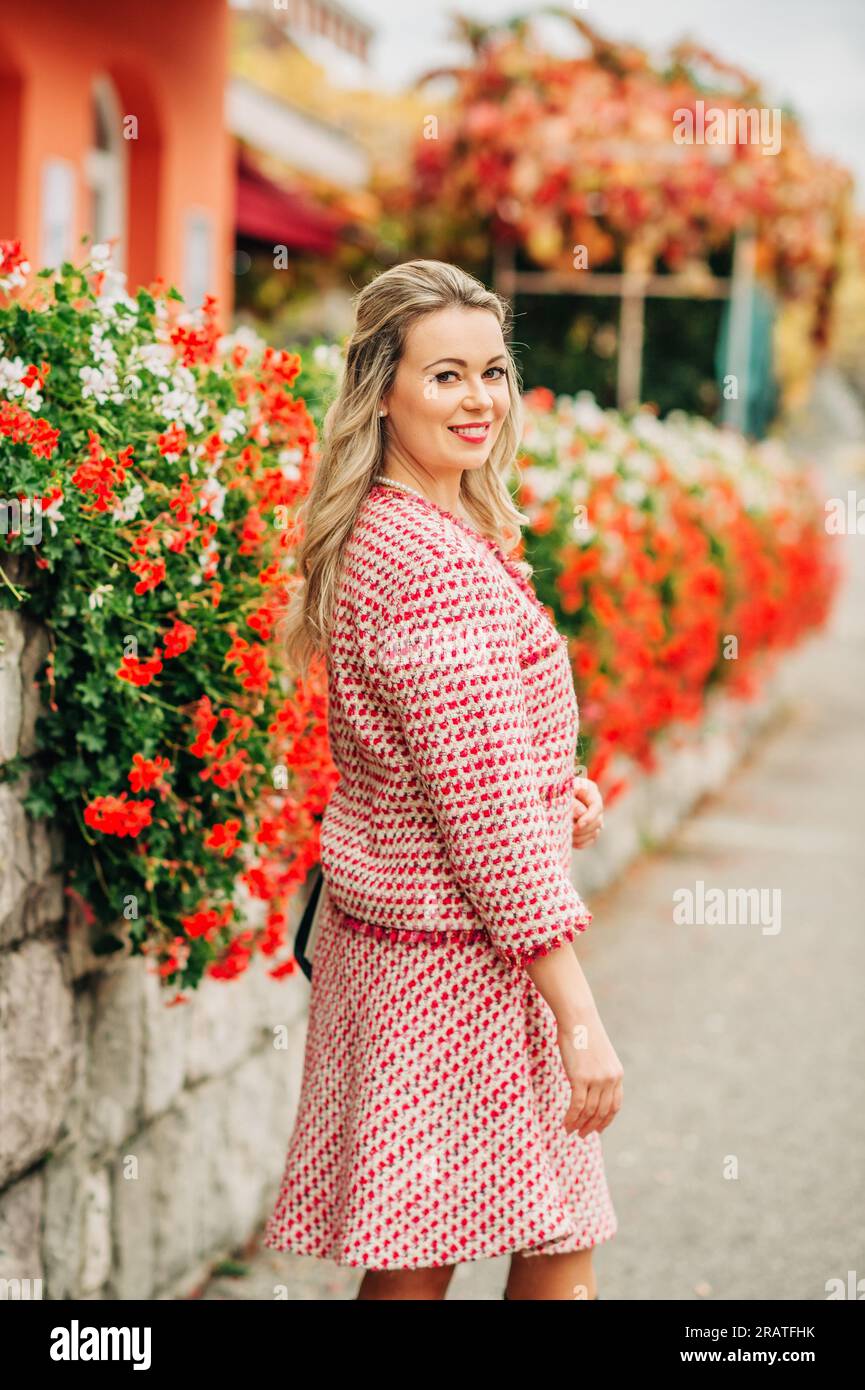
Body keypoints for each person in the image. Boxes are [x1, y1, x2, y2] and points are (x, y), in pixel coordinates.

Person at [263, 259, 623, 1300]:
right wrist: (577, 1010)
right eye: (447, 376)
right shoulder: (431, 563)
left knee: (417, 1259)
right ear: (383, 388)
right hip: (457, 968)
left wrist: (556, 786)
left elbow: (460, 766)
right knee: (545, 1252)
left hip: (408, 953)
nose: (480, 400)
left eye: (494, 372)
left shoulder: (404, 529)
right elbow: (488, 823)